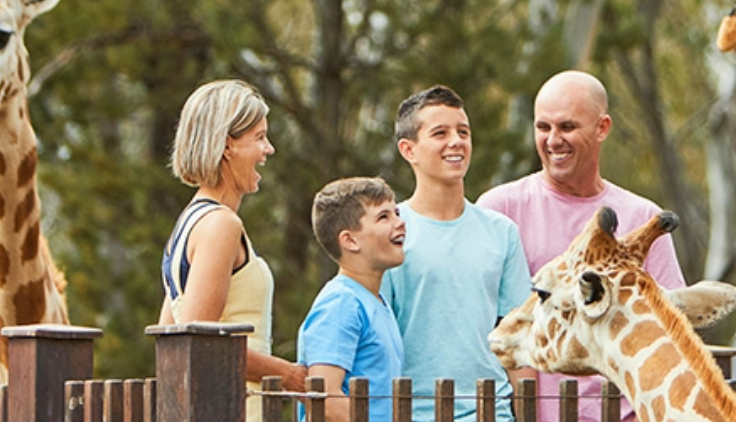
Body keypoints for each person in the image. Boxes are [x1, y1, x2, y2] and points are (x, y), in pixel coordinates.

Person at [477, 71, 688, 422]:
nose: (553, 140)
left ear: (602, 128)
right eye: (543, 128)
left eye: (567, 127)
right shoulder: (501, 210)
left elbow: (673, 327)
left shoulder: (643, 217)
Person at [158, 79, 308, 422]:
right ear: (227, 146)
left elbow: (168, 336)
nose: (268, 149)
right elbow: (201, 341)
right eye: (259, 138)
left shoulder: (187, 224)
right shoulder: (221, 225)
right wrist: (288, 374)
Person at [380, 85, 531, 422]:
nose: (457, 142)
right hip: (410, 415)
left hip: (492, 414)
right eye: (440, 133)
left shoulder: (501, 232)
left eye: (463, 131)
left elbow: (518, 338)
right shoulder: (389, 232)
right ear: (409, 150)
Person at [299, 177, 408, 422]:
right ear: (350, 240)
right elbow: (325, 397)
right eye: (384, 217)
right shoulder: (341, 303)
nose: (400, 223)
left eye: (397, 213)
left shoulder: (376, 301)